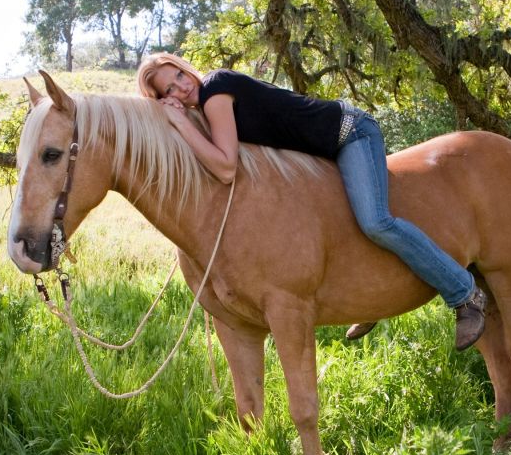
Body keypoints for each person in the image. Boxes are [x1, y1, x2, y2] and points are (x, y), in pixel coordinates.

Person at [136, 52, 486, 351]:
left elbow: (225, 167)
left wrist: (178, 122)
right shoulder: (206, 109)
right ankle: (375, 298)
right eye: (170, 88)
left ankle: (463, 292)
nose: (181, 86)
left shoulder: (215, 88)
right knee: (345, 222)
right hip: (321, 153)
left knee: (375, 221)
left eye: (179, 74)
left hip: (350, 133)